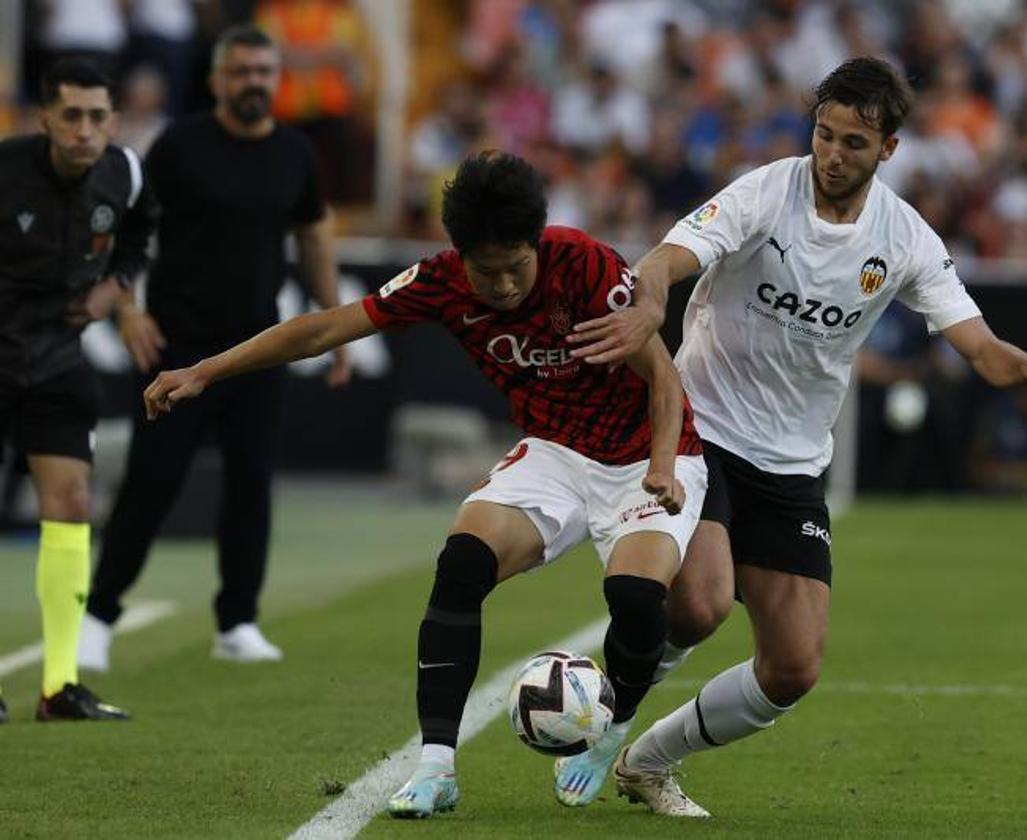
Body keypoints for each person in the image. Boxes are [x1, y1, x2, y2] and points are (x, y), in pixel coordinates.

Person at [566, 57, 1027, 816]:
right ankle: (603, 718)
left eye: (854, 142)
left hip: (791, 465)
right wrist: (651, 298)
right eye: (824, 134)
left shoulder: (905, 237)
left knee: (793, 669)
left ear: (889, 148)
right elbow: (668, 257)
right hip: (702, 429)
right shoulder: (764, 192)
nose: (832, 154)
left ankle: (645, 761)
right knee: (699, 606)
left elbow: (979, 347)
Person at [138, 150, 708, 817]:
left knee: (637, 600)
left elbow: (663, 377)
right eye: (485, 270)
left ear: (536, 245)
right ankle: (436, 768)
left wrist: (662, 465)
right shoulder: (438, 282)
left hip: (648, 453)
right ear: (458, 253)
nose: (501, 285)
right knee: (462, 562)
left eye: (515, 268)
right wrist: (204, 372)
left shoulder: (585, 266)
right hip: (555, 453)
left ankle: (606, 736)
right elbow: (323, 327)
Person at [79, 25, 350, 670]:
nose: (254, 81)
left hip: (259, 351)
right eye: (242, 71)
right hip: (176, 348)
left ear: (276, 77)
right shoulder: (181, 146)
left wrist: (337, 327)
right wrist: (128, 308)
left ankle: (238, 622)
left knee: (251, 486)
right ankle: (98, 616)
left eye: (264, 71)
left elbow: (313, 234)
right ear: (216, 79)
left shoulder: (295, 152)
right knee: (151, 484)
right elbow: (126, 226)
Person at [0, 57, 154, 721]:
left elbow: (139, 233)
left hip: (59, 360)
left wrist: (115, 292)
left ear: (113, 121)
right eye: (71, 116)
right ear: (45, 119)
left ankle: (58, 686)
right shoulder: (5, 172)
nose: (85, 130)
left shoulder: (127, 171)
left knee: (71, 503)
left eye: (97, 117)